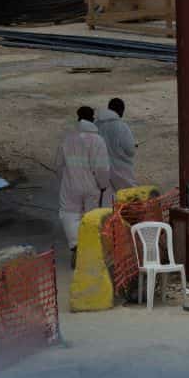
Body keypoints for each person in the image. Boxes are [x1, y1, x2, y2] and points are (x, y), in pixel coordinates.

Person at [53, 106, 111, 264]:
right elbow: (102, 167)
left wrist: (64, 180)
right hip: (91, 186)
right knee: (91, 217)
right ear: (92, 119)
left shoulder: (68, 138)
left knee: (69, 215)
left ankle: (76, 247)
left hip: (70, 185)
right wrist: (103, 185)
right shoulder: (98, 141)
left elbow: (58, 165)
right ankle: (91, 250)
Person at [95, 97, 138, 190]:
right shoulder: (122, 126)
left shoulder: (96, 124)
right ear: (120, 110)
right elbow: (130, 150)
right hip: (121, 174)